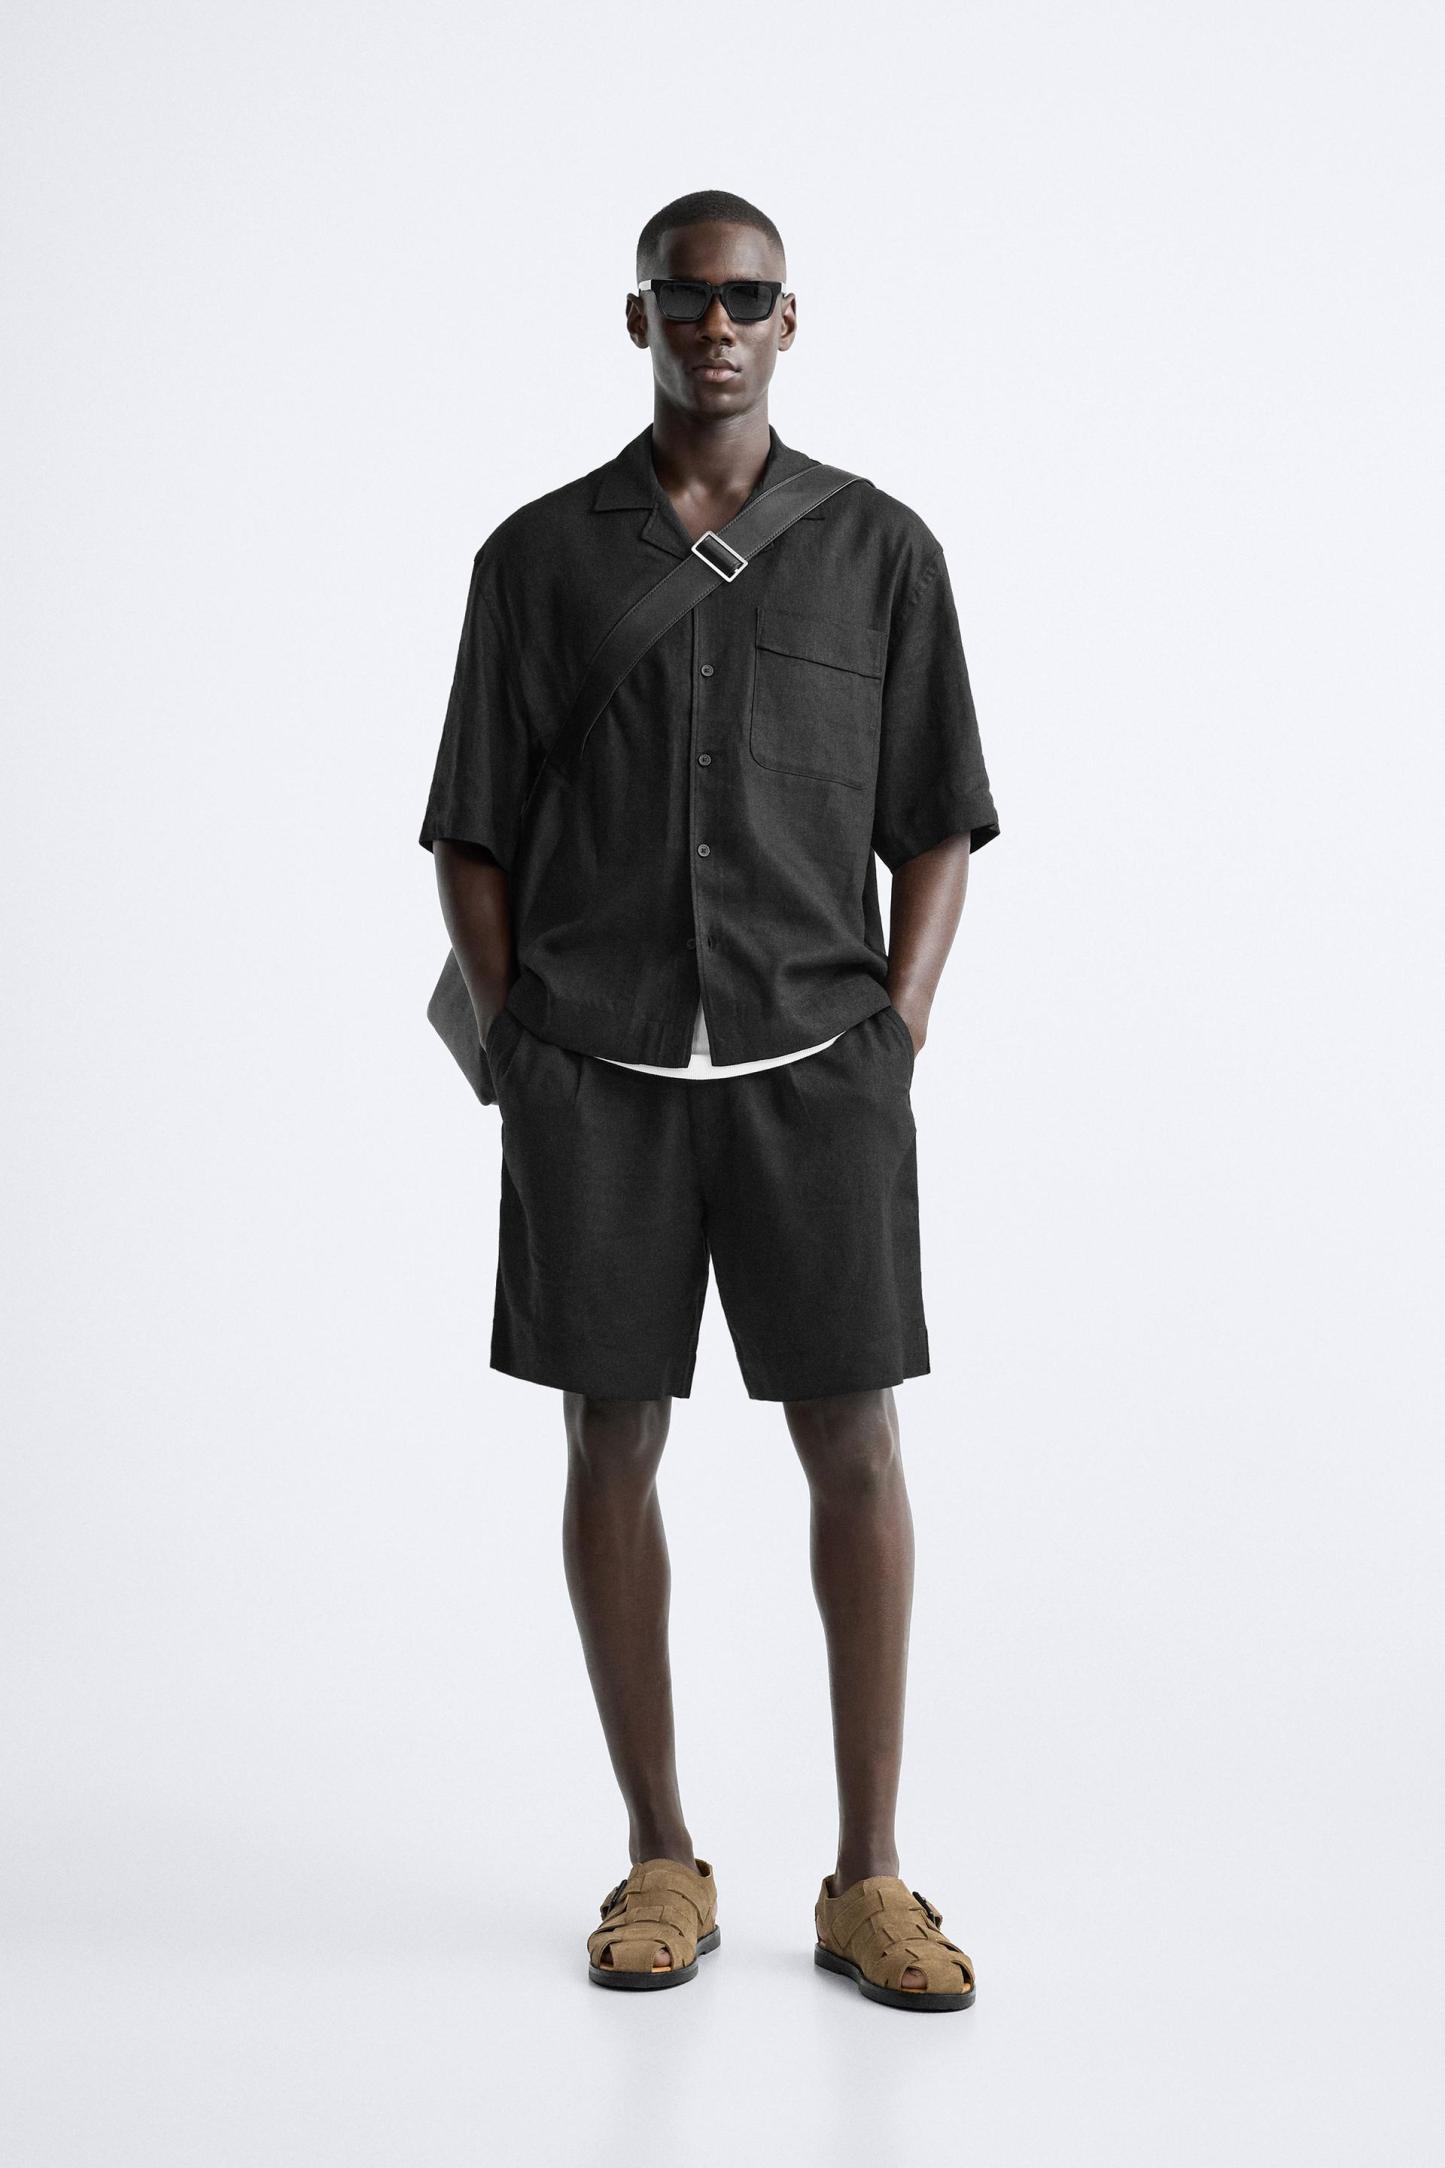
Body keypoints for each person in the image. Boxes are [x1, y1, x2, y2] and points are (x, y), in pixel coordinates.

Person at [420, 188, 998, 2011]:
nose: (717, 326)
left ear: (789, 319)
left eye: (747, 298)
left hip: (816, 1069)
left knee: (855, 1446)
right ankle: (658, 1853)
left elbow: (936, 820)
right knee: (609, 1444)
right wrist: (517, 1043)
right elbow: (469, 829)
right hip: (592, 1074)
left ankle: (869, 1879)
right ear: (639, 319)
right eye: (685, 298)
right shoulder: (536, 559)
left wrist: (897, 1031)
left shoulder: (880, 549)